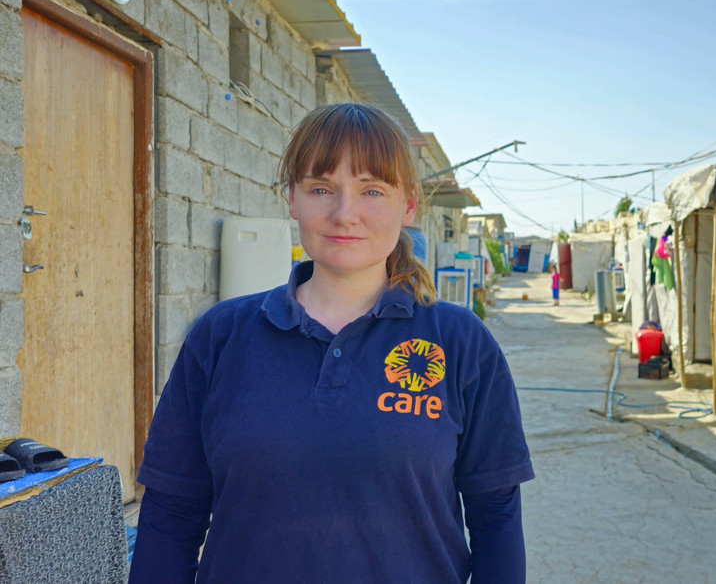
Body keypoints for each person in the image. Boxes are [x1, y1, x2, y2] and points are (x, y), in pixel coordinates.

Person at [130, 103, 535, 583]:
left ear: (408, 204)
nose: (346, 214)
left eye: (371, 191)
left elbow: (496, 518)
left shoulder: (462, 343)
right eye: (322, 189)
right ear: (292, 199)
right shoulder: (220, 336)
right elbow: (171, 513)